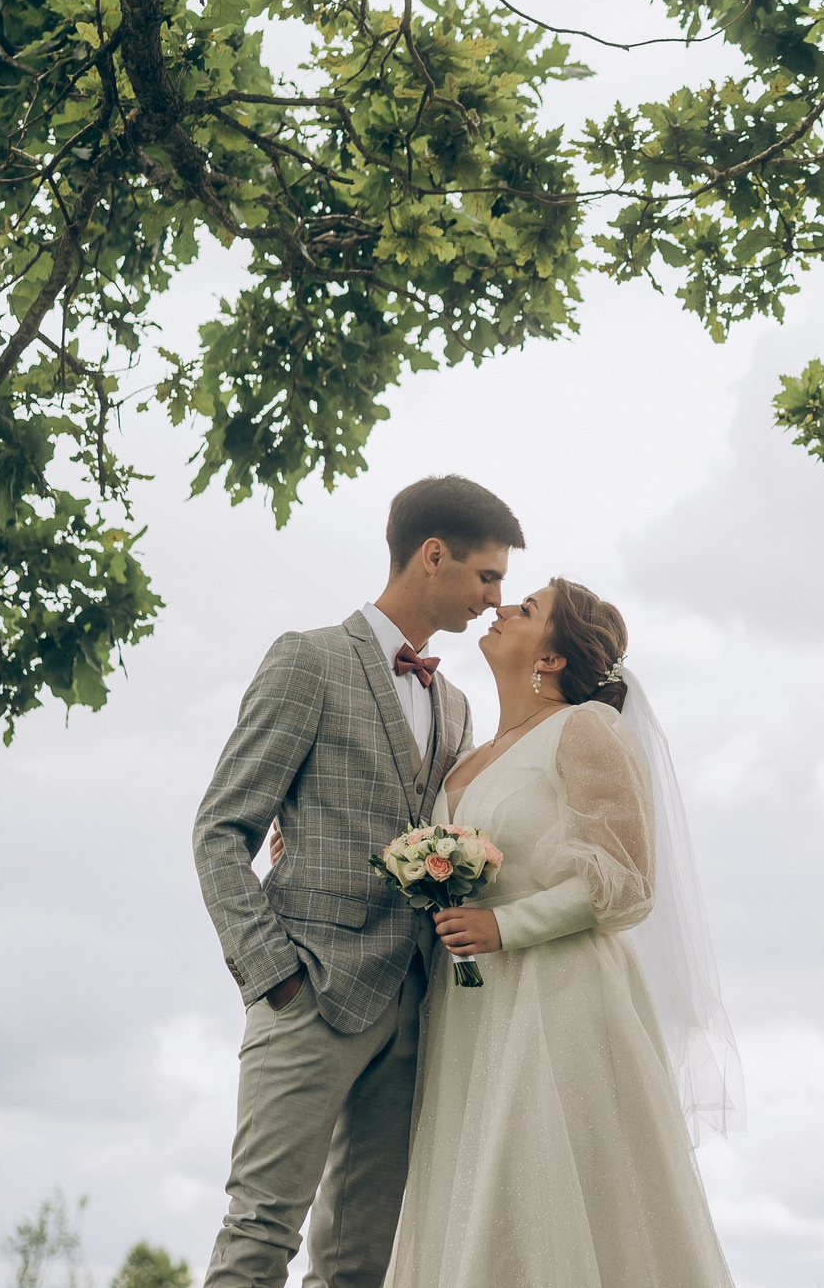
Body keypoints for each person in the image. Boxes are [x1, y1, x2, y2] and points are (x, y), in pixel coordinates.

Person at [192, 475, 525, 1288]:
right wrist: (275, 975)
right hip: (307, 992)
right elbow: (220, 830)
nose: (495, 596)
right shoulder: (307, 660)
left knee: (359, 1264)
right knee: (261, 1232)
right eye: (487, 575)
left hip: (411, 1010)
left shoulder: (453, 704)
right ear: (433, 555)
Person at [384, 576, 741, 1288]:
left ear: (550, 658)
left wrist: (504, 924)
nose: (502, 607)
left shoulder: (585, 729)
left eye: (528, 608)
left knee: (549, 1198)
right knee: (472, 1195)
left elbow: (626, 879)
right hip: (468, 1013)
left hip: (558, 1003)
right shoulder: (461, 762)